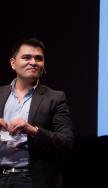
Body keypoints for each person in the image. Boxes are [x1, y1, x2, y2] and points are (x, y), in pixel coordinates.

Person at [0, 38, 74, 188]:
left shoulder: (55, 98)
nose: (33, 62)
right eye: (27, 57)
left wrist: (33, 130)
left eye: (38, 58)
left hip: (32, 180)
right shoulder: (0, 94)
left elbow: (67, 141)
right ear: (13, 63)